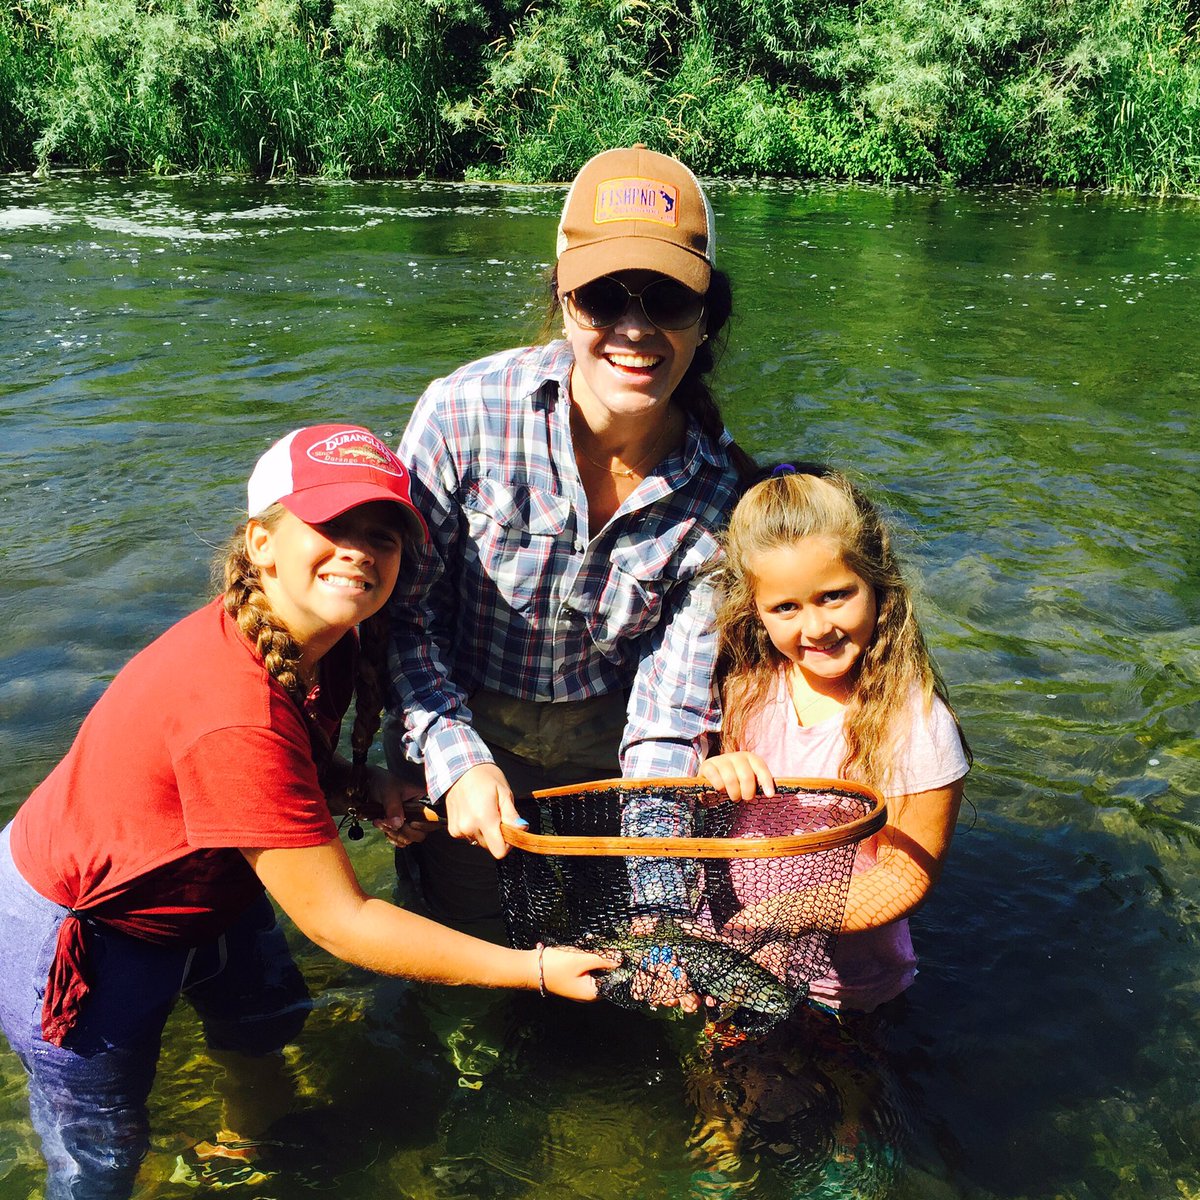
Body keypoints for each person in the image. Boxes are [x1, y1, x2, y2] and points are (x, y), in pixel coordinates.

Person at [0, 424, 613, 1200]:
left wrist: (361, 783)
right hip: (92, 927)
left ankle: (243, 1149)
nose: (360, 549)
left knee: (263, 1024)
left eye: (382, 536)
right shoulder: (233, 711)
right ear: (261, 543)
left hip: (208, 880)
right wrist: (529, 970)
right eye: (331, 526)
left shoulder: (323, 644)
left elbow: (289, 763)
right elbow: (342, 921)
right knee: (101, 1150)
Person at [384, 145, 756, 931]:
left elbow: (668, 717)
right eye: (602, 298)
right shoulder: (462, 414)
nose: (634, 329)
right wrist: (457, 762)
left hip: (607, 749)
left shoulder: (725, 498)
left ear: (705, 319)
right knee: (471, 951)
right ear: (562, 300)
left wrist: (658, 889)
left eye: (666, 301)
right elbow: (404, 618)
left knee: (613, 935)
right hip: (462, 715)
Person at [699, 463, 971, 1014]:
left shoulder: (915, 721)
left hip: (846, 988)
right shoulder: (740, 686)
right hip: (735, 964)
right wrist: (707, 778)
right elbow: (696, 818)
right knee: (723, 1095)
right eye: (786, 608)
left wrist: (782, 915)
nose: (817, 628)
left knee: (849, 1092)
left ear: (877, 583)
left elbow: (905, 874)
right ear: (755, 609)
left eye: (835, 596)